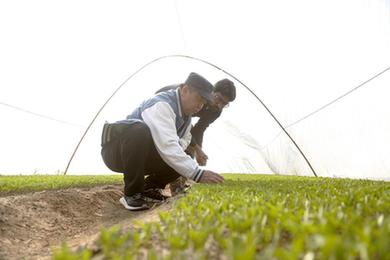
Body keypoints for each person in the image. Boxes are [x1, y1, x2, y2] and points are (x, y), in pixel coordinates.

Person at [101, 72, 225, 211]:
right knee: (139, 130)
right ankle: (132, 194)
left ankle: (150, 188)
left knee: (185, 154)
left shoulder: (187, 118)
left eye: (204, 103)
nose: (200, 106)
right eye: (199, 99)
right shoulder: (162, 104)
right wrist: (197, 173)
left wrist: (184, 156)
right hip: (115, 152)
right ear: (185, 90)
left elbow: (181, 144)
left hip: (142, 155)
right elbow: (167, 145)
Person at [156, 79, 236, 194]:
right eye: (218, 98)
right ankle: (160, 181)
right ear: (212, 91)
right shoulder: (191, 95)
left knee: (188, 148)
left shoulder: (216, 111)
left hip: (183, 120)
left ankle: (178, 181)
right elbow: (183, 128)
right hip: (165, 110)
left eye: (225, 103)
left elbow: (199, 129)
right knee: (174, 144)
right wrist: (197, 149)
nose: (219, 105)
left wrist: (199, 151)